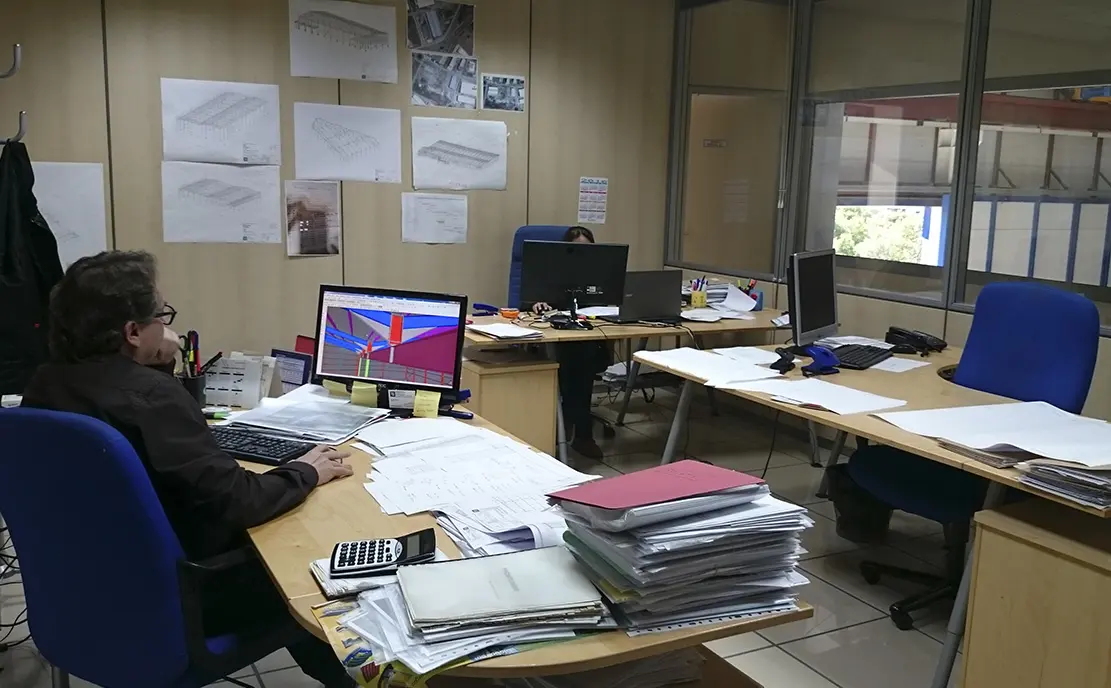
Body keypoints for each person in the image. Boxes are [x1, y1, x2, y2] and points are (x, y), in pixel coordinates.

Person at [21, 250, 357, 688]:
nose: (167, 326)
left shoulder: (44, 385)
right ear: (132, 332)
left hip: (81, 596)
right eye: (160, 315)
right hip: (189, 600)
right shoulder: (153, 399)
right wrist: (305, 471)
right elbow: (241, 502)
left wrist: (157, 365)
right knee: (317, 558)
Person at [529, 226, 611, 460]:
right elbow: (530, 300)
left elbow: (610, 300)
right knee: (578, 364)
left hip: (588, 337)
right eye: (577, 249)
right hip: (556, 338)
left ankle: (573, 428)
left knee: (581, 359)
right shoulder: (550, 271)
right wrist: (538, 304)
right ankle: (580, 433)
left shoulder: (601, 273)